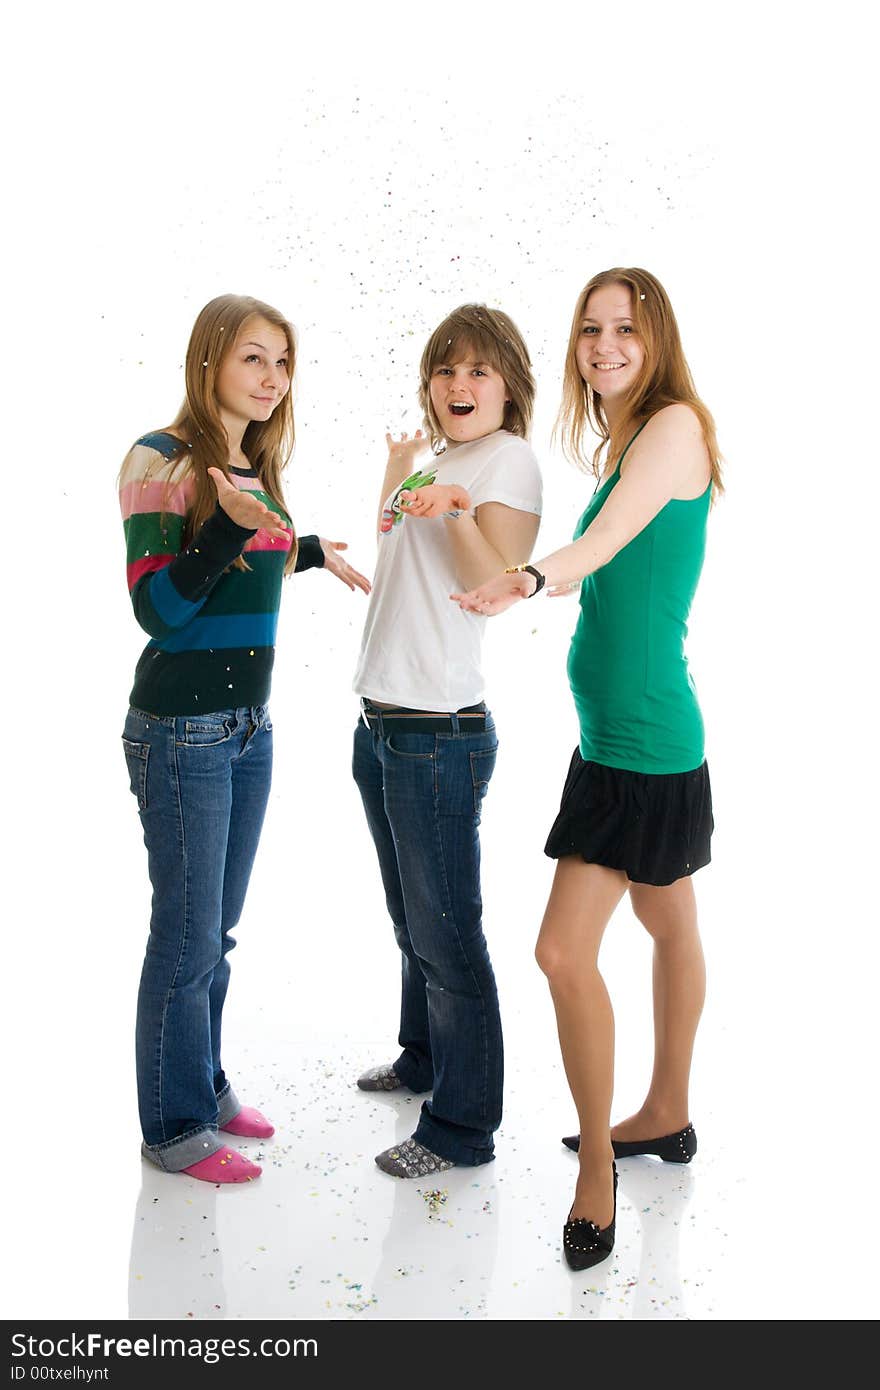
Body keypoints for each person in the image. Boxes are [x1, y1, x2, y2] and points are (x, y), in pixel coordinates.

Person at [453, 268, 721, 1267]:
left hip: (643, 749)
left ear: (657, 340)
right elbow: (613, 564)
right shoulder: (628, 440)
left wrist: (529, 573)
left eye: (624, 329)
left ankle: (600, 1160)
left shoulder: (674, 428)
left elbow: (604, 543)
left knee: (565, 954)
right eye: (590, 330)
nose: (604, 346)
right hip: (620, 737)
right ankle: (669, 1112)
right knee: (666, 918)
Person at [119, 294, 370, 1183]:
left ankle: (207, 1082)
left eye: (283, 362)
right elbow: (158, 606)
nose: (272, 378)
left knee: (215, 933)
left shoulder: (249, 465)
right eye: (254, 358)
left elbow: (233, 575)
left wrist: (295, 547)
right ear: (210, 361)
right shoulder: (164, 459)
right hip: (182, 731)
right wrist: (232, 525)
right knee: (184, 939)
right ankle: (174, 1126)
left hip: (247, 729)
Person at [352, 304, 543, 1177]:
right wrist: (401, 473)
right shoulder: (439, 460)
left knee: (447, 932)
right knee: (410, 922)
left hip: (439, 734)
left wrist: (459, 508)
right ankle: (425, 1059)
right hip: (385, 722)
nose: (458, 385)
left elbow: (492, 583)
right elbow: (399, 565)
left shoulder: (506, 462)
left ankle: (462, 1128)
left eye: (478, 371)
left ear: (509, 385)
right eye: (445, 370)